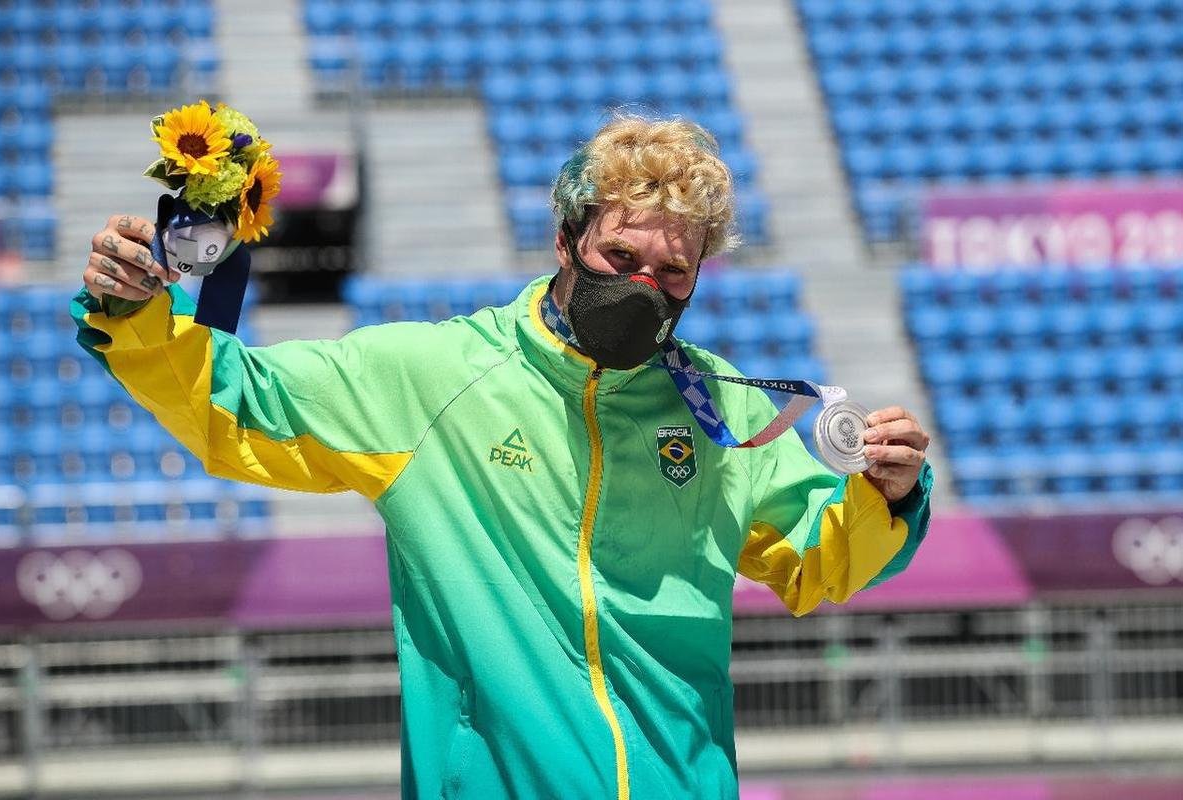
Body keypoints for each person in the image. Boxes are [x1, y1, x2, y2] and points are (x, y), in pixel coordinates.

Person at [74, 116, 933, 799]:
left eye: (674, 271)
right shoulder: (434, 376)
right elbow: (238, 405)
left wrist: (888, 497)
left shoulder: (724, 411)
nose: (643, 285)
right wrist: (136, 315)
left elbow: (818, 564)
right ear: (565, 241)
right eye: (619, 256)